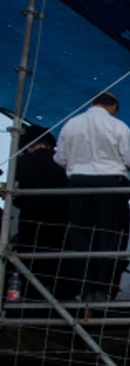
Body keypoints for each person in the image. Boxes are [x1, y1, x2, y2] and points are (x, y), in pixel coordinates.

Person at [54, 92, 130, 301]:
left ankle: (83, 288)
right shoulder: (119, 126)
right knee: (109, 237)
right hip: (110, 184)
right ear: (113, 107)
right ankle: (102, 289)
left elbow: (60, 158)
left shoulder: (71, 125)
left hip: (79, 184)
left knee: (81, 237)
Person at [10, 125, 71, 301]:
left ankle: (30, 303)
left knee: (31, 264)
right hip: (62, 221)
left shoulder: (21, 162)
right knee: (60, 266)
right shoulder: (63, 162)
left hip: (32, 220)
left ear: (28, 146)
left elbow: (17, 196)